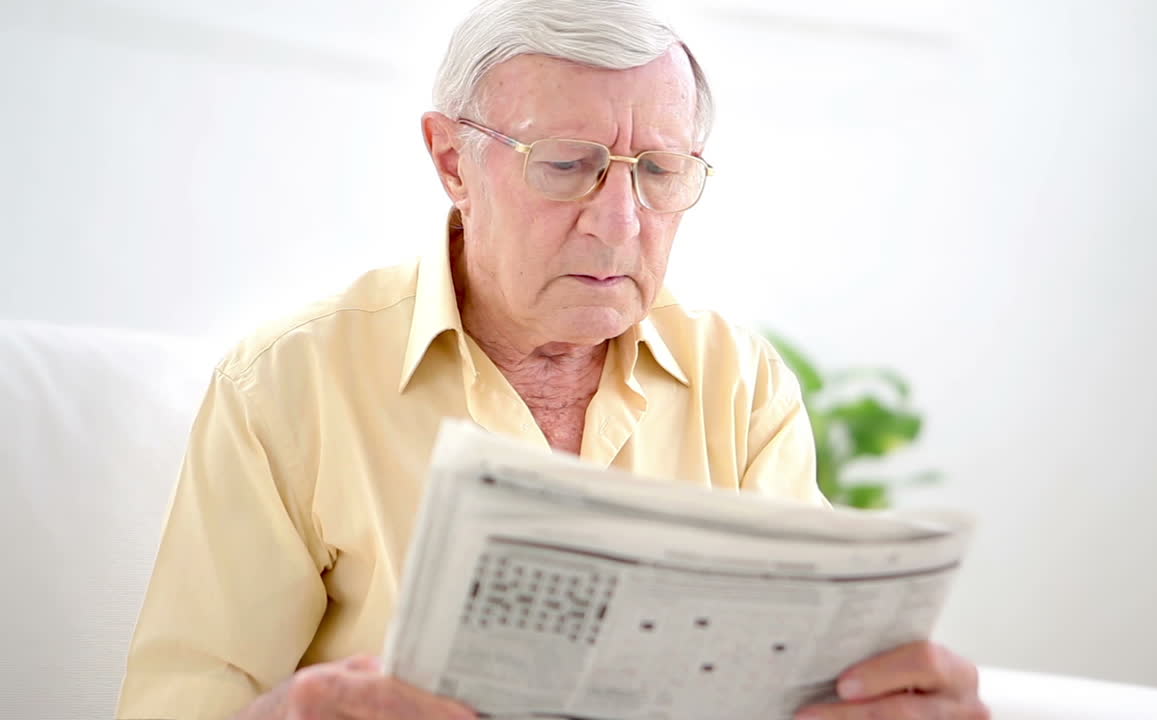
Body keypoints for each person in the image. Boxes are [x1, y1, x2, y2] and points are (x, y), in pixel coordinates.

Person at [116, 1, 987, 718]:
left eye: (659, 169)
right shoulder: (288, 384)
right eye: (568, 165)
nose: (620, 221)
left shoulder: (742, 386)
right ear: (452, 160)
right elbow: (182, 703)